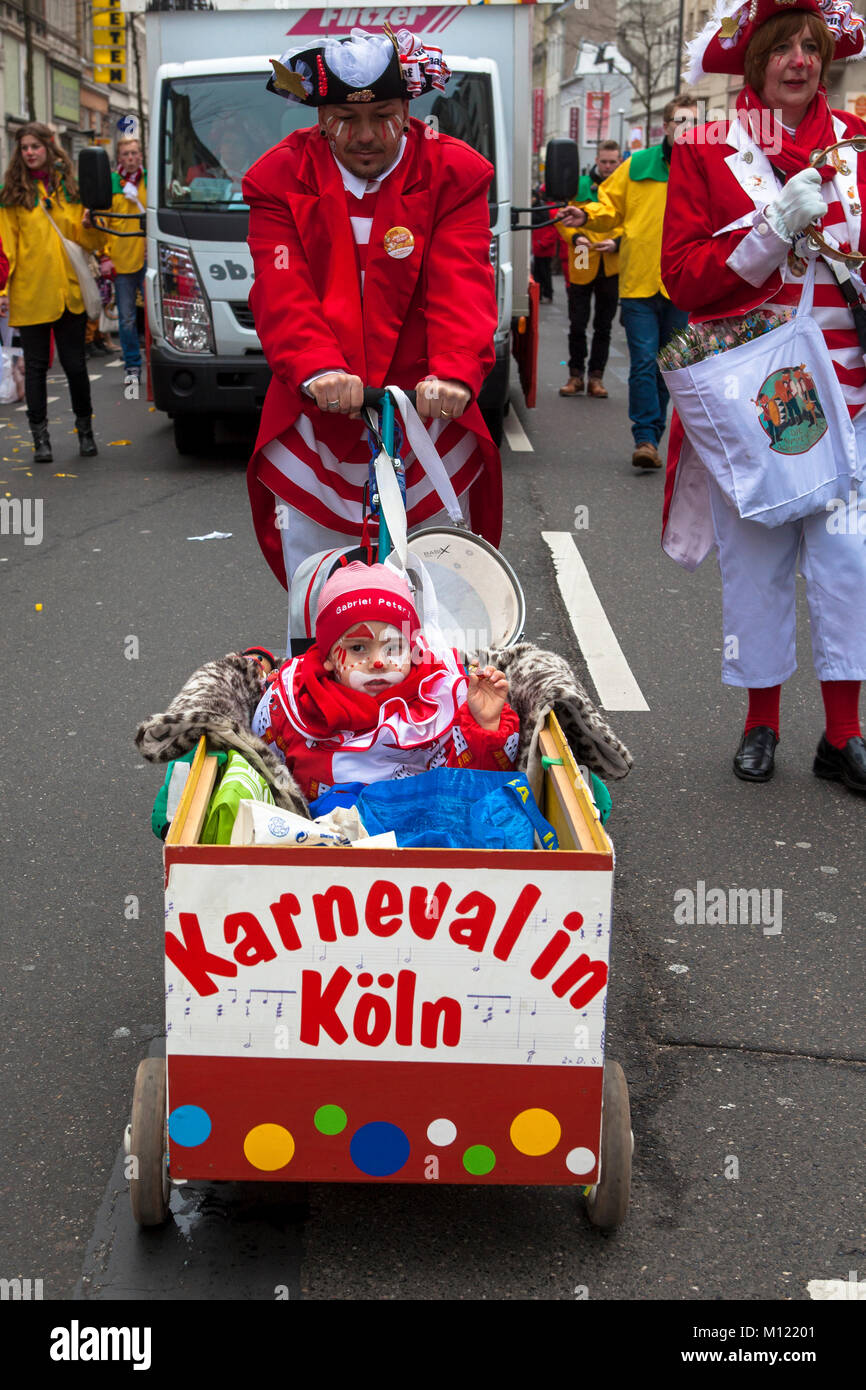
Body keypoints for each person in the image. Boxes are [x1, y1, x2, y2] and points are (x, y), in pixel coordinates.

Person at [661, 0, 866, 793]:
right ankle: (761, 723)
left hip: (850, 391)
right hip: (757, 394)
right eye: (781, 47)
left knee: (848, 560)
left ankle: (843, 734)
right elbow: (681, 276)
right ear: (753, 62)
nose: (798, 60)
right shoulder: (707, 146)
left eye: (810, 47)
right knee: (758, 559)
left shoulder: (855, 140)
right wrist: (769, 233)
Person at [243, 25, 501, 639]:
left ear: (410, 109)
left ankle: (441, 708)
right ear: (321, 115)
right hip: (320, 409)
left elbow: (462, 281)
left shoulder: (454, 173)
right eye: (343, 118)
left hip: (420, 411)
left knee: (435, 584)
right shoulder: (278, 177)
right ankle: (311, 709)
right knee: (320, 580)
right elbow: (281, 288)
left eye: (383, 116)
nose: (363, 136)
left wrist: (457, 372)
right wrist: (317, 368)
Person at [250, 562, 519, 802]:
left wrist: (485, 724)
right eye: (358, 648)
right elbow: (264, 779)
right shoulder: (292, 702)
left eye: (393, 648)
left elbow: (474, 793)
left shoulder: (442, 698)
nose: (378, 662)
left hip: (422, 844)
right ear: (328, 657)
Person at [557, 95, 698, 466]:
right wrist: (584, 214)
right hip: (638, 282)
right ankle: (646, 439)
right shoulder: (638, 165)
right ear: (666, 126)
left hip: (682, 283)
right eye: (680, 122)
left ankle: (653, 434)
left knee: (670, 366)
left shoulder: (704, 166)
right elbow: (608, 205)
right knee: (643, 363)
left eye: (693, 123)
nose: (687, 129)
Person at [0, 122, 105, 462]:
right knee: (35, 368)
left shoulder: (68, 190)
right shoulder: (12, 195)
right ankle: (40, 439)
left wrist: (90, 226)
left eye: (35, 146)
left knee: (75, 365)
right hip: (31, 292)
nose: (30, 152)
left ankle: (85, 432)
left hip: (68, 292)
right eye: (25, 147)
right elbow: (7, 247)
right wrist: (3, 289)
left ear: (49, 147)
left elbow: (86, 240)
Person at [557, 140, 622, 398]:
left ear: (619, 161)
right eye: (604, 161)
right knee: (578, 322)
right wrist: (574, 238)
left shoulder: (623, 187)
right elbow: (562, 216)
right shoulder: (580, 185)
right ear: (597, 160)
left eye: (612, 162)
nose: (607, 166)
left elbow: (631, 220)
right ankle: (575, 376)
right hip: (583, 254)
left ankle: (597, 377)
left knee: (604, 325)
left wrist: (617, 242)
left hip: (611, 259)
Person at [105, 134, 147, 383]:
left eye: (134, 153)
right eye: (126, 154)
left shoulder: (150, 180)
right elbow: (105, 220)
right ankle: (132, 367)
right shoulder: (111, 184)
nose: (131, 158)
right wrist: (105, 256)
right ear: (119, 158)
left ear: (141, 155)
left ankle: (156, 366)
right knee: (128, 318)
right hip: (122, 261)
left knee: (157, 319)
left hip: (149, 258)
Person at [531, 185, 557, 303]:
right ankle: (541, 294)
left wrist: (542, 243)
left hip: (544, 247)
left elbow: (553, 230)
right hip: (540, 246)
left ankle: (547, 293)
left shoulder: (551, 209)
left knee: (544, 272)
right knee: (539, 272)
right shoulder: (547, 208)